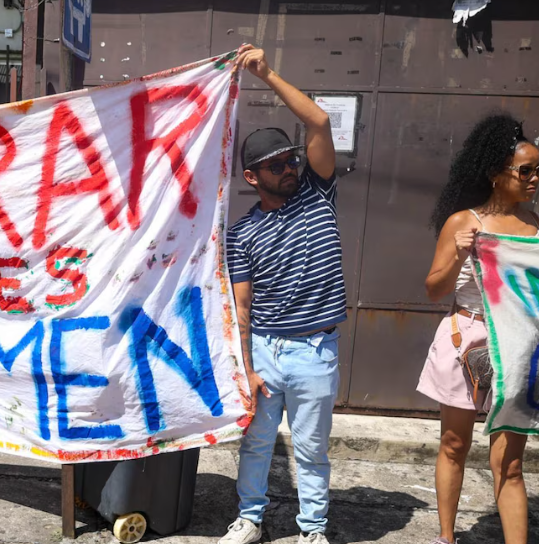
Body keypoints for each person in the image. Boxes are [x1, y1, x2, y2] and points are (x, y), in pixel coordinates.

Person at [417, 113, 539, 544]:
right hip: (466, 340)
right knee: (454, 445)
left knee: (511, 463)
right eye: (526, 171)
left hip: (521, 348)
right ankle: (446, 537)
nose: (535, 178)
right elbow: (433, 289)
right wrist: (458, 254)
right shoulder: (463, 222)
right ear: (495, 173)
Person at [219, 45, 344, 544]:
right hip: (265, 351)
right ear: (252, 177)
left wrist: (266, 73)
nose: (289, 168)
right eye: (275, 165)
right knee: (256, 444)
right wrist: (246, 368)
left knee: (312, 450)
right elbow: (242, 307)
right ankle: (250, 519)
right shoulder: (241, 234)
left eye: (290, 159)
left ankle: (313, 530)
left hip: (316, 349)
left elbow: (319, 122)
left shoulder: (318, 195)